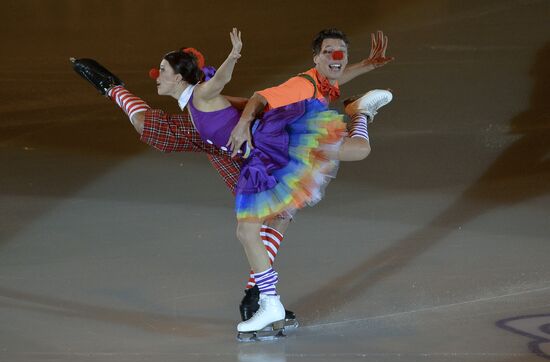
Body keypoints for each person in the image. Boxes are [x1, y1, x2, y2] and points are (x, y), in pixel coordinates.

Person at [71, 27, 394, 340]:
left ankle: (260, 295)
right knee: (149, 125)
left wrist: (235, 66)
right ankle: (111, 87)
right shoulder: (289, 87)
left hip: (248, 148)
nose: (156, 75)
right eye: (330, 55)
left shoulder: (293, 87)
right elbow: (272, 93)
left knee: (276, 213)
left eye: (162, 70)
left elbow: (272, 89)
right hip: (232, 139)